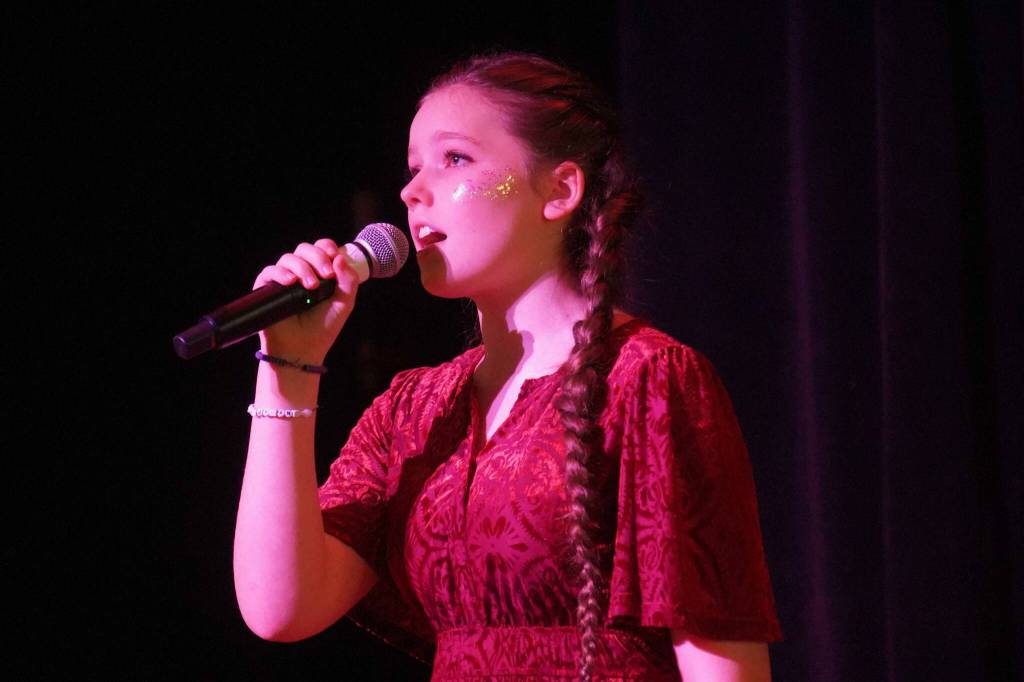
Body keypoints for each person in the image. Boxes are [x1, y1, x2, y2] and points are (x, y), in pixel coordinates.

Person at [233, 51, 782, 681]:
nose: (412, 191)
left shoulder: (648, 382)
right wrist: (287, 365)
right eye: (413, 168)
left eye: (455, 158)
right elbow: (280, 608)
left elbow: (723, 664)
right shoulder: (412, 411)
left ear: (560, 190)